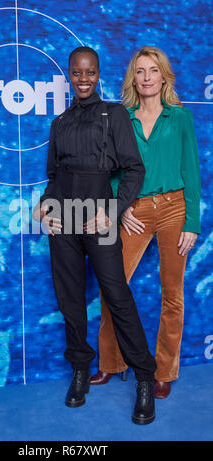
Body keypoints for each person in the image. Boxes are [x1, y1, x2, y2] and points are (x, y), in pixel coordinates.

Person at [33, 46, 157, 425]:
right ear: (69, 75)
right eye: (76, 73)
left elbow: (134, 170)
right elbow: (54, 177)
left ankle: (144, 378)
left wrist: (112, 212)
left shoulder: (114, 115)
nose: (83, 79)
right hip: (64, 220)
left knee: (117, 296)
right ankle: (80, 370)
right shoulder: (60, 123)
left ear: (98, 74)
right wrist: (44, 206)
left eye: (89, 73)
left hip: (99, 219)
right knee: (70, 300)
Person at [89, 46, 201, 399]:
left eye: (153, 70)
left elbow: (192, 171)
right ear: (132, 79)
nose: (147, 77)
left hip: (174, 208)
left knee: (173, 295)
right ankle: (111, 363)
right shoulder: (120, 117)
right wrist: (122, 208)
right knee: (113, 286)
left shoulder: (180, 117)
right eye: (140, 71)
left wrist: (192, 222)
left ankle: (164, 370)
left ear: (164, 76)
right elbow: (111, 171)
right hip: (133, 211)